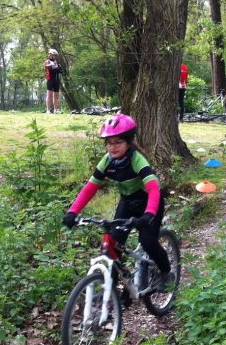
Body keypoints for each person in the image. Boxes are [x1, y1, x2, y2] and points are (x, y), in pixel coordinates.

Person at [62, 114, 172, 288]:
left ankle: (166, 272)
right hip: (127, 203)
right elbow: (90, 188)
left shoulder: (137, 160)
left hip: (150, 204)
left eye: (117, 142)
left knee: (147, 241)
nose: (112, 147)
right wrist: (72, 212)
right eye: (109, 143)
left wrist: (149, 214)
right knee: (112, 244)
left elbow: (153, 188)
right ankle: (114, 290)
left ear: (128, 142)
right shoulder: (107, 161)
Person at [44, 48, 62, 114]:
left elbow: (61, 70)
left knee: (56, 95)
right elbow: (50, 69)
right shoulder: (47, 61)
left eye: (55, 55)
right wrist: (56, 68)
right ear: (50, 55)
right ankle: (48, 110)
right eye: (54, 55)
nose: (55, 56)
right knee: (49, 95)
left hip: (56, 80)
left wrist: (56, 68)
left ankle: (55, 110)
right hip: (50, 80)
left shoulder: (56, 62)